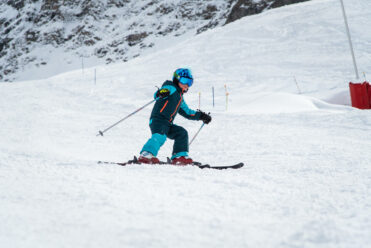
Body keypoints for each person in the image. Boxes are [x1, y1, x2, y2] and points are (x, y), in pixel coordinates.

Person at [138, 68, 212, 165]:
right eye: (184, 81)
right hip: (158, 120)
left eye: (189, 82)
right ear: (177, 79)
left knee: (181, 133)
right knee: (160, 136)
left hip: (167, 124)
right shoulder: (171, 87)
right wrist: (161, 92)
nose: (186, 85)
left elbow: (187, 112)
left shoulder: (180, 97)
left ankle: (179, 157)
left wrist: (201, 116)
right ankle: (146, 155)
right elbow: (161, 92)